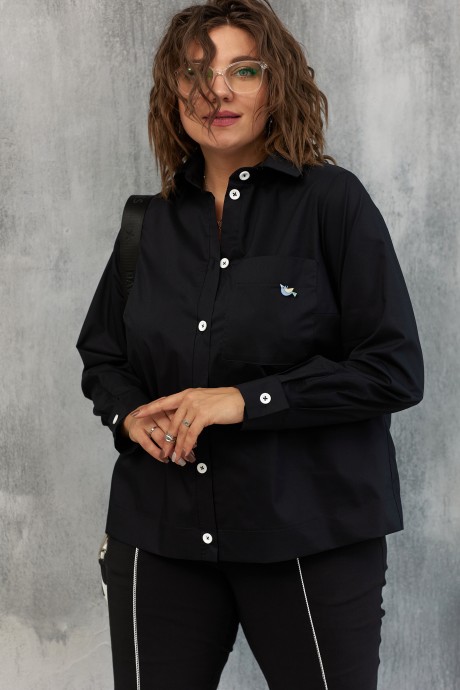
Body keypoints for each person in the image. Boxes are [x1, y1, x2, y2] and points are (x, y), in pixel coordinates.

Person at [76, 1, 424, 688]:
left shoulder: (333, 203)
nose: (218, 91)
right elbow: (104, 358)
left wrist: (244, 400)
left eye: (245, 70)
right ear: (173, 92)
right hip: (161, 536)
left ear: (277, 83)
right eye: (195, 72)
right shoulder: (148, 225)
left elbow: (392, 369)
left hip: (310, 538)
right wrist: (130, 413)